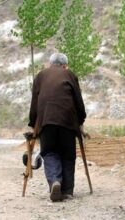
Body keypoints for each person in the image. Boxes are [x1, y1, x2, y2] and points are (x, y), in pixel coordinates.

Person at [28, 53, 86, 202]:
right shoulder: (70, 75)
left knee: (49, 152)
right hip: (67, 121)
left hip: (46, 121)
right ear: (65, 65)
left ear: (50, 64)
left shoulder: (40, 76)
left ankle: (55, 181)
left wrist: (33, 122)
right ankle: (67, 191)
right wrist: (80, 120)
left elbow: (35, 102)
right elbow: (78, 101)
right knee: (68, 154)